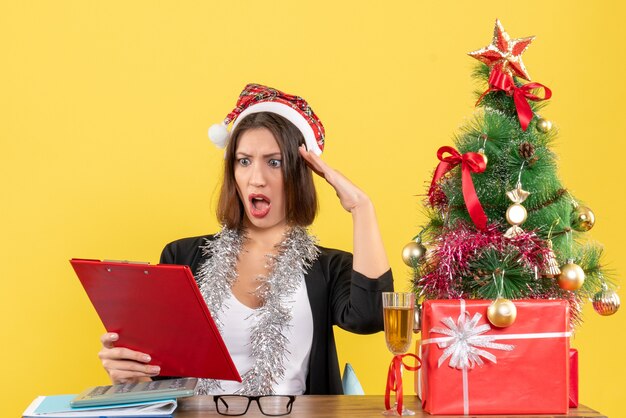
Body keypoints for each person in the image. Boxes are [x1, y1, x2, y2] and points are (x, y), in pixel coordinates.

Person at [97, 84, 393, 395]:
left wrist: (362, 208)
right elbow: (158, 374)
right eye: (244, 161)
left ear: (300, 171)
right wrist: (130, 374)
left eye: (274, 162)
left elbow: (371, 317)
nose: (257, 178)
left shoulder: (329, 267)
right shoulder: (181, 257)